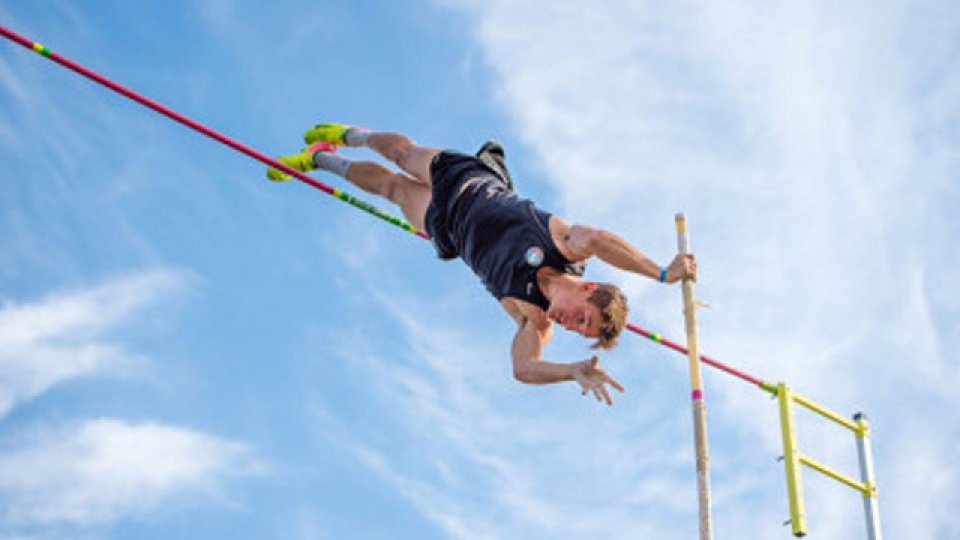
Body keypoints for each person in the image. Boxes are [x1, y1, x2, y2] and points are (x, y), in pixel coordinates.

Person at [267, 123, 696, 406]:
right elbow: (602, 240)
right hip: (468, 180)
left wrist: (571, 372)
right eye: (582, 319)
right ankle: (350, 135)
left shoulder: (535, 320)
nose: (569, 324)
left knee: (394, 189)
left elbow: (522, 368)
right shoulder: (567, 246)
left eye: (578, 331)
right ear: (588, 289)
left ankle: (320, 159)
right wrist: (660, 273)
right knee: (401, 152)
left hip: (448, 225)